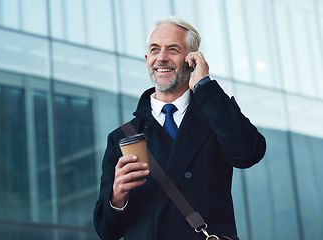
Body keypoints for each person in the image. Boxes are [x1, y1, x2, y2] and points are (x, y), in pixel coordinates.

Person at [93, 15, 266, 240]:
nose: (161, 58)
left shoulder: (216, 117)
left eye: (172, 49)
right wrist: (117, 197)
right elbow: (107, 232)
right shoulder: (123, 137)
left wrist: (205, 86)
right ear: (147, 58)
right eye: (155, 50)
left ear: (191, 59)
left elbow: (248, 154)